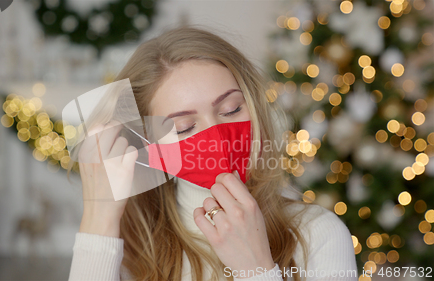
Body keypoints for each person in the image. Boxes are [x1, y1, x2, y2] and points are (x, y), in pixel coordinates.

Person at [67, 25, 358, 281]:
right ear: (147, 143)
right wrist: (99, 219)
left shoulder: (319, 234)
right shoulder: (129, 247)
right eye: (183, 127)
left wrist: (256, 269)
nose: (216, 135)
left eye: (231, 109)